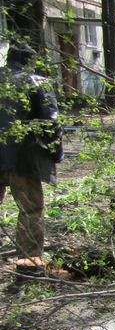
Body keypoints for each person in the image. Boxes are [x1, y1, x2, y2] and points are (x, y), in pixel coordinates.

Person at [0, 43, 65, 277]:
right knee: (31, 209)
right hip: (23, 157)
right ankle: (28, 262)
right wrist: (56, 152)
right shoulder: (37, 83)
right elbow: (51, 123)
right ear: (31, 62)